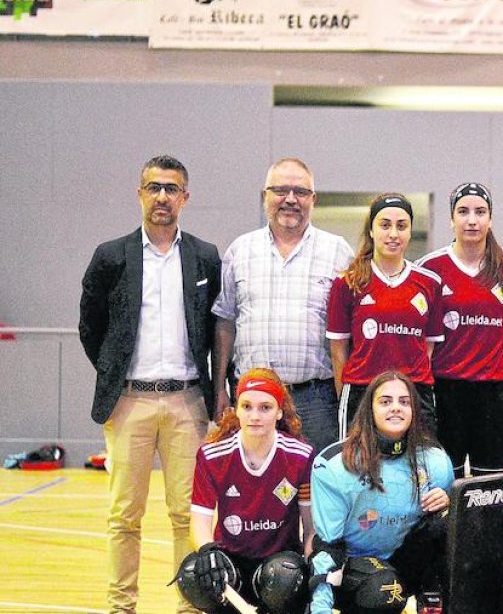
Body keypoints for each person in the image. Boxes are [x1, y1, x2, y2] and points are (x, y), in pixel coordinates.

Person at [79, 154, 222, 614]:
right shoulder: (110, 256)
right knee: (125, 516)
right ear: (140, 193)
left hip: (187, 403)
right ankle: (121, 607)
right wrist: (114, 374)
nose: (163, 196)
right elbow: (90, 327)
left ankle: (189, 605)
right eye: (154, 187)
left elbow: (216, 327)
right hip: (129, 402)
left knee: (188, 515)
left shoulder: (204, 256)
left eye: (172, 188)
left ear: (186, 197)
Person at [212, 158, 354, 454]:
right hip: (252, 398)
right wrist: (219, 392)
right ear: (265, 196)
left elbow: (349, 332)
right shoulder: (240, 251)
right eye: (280, 190)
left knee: (316, 491)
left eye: (300, 192)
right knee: (253, 489)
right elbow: (225, 323)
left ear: (313, 200)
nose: (290, 199)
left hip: (316, 402)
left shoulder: (338, 252)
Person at [308, 371, 454, 614]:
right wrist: (320, 608)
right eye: (385, 401)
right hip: (353, 567)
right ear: (370, 410)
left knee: (447, 524)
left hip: (401, 561)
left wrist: (452, 505)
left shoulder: (435, 461)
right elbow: (328, 547)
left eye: (404, 402)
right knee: (384, 589)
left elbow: (438, 532)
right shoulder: (336, 464)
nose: (395, 408)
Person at [176, 369, 314, 614]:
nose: (254, 416)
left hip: (278, 566)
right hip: (232, 563)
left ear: (280, 411)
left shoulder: (301, 456)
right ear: (236, 409)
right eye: (247, 406)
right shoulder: (212, 455)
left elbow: (311, 526)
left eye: (265, 407)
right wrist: (208, 550)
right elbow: (199, 520)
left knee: (286, 576)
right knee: (192, 572)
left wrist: (313, 569)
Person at [417, 182, 503, 475]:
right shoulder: (430, 268)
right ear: (451, 218)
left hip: (497, 390)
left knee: (491, 482)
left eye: (480, 212)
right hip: (446, 389)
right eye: (463, 211)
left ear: (490, 219)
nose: (472, 220)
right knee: (444, 477)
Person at [327, 193, 444, 438]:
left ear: (410, 231)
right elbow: (338, 351)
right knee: (359, 468)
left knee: (418, 469)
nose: (393, 234)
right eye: (385, 225)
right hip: (361, 390)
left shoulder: (430, 283)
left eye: (401, 226)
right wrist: (347, 394)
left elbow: (428, 348)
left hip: (414, 392)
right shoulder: (347, 282)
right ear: (371, 230)